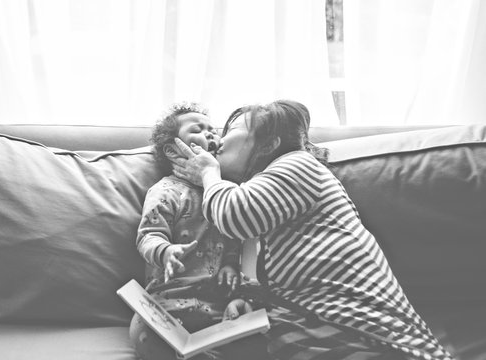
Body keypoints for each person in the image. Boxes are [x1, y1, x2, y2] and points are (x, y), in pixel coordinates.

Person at [171, 100, 454, 360]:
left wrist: (208, 173)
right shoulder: (267, 201)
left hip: (371, 334)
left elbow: (235, 215)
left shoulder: (297, 163)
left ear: (269, 143)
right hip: (322, 327)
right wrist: (249, 302)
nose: (218, 139)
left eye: (231, 128)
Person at [131, 102, 254, 360]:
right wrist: (165, 251)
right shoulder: (166, 191)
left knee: (251, 332)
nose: (212, 134)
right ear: (174, 151)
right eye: (198, 130)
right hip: (167, 301)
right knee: (143, 330)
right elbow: (148, 236)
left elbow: (234, 237)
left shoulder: (223, 191)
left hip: (216, 303)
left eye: (214, 130)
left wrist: (231, 266)